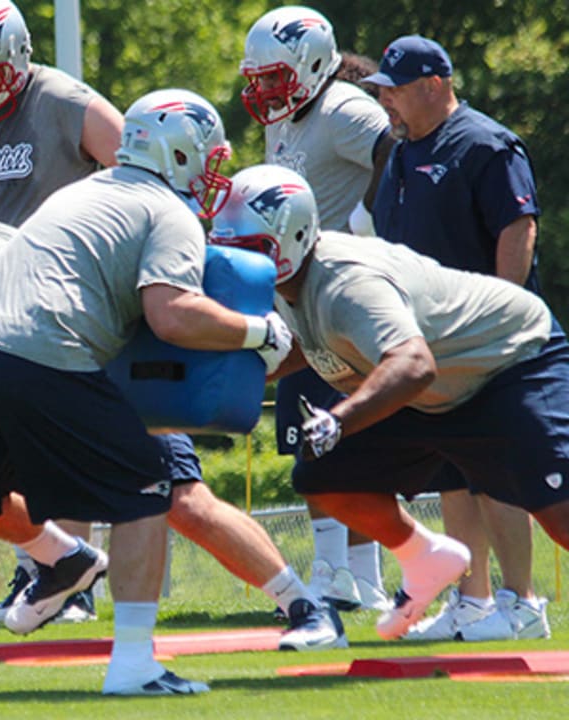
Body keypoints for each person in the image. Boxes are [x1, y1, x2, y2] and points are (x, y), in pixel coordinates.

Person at [0, 89, 324, 697]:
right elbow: (171, 314)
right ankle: (135, 663)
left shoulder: (78, 193)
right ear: (183, 153)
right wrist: (258, 332)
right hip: (40, 352)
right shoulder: (166, 211)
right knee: (149, 488)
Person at [209, 163, 569, 641]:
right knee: (324, 476)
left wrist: (339, 419)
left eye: (250, 250)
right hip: (436, 389)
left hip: (509, 362)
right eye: (229, 251)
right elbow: (307, 345)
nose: (240, 265)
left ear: (291, 238)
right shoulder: (289, 283)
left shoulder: (347, 283)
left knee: (559, 515)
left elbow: (413, 363)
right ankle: (425, 557)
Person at [0, 0, 123, 624]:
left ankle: (79, 586)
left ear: (17, 57)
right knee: (7, 455)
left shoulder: (68, 102)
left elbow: (140, 177)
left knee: (57, 446)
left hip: (64, 299)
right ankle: (38, 577)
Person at [365, 34, 550, 641]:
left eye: (395, 89)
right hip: (428, 341)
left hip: (487, 338)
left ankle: (521, 603)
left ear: (435, 84)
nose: (386, 101)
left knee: (496, 471)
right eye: (382, 90)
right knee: (452, 470)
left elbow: (517, 227)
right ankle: (472, 602)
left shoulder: (485, 143)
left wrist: (503, 312)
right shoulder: (398, 152)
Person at [239, 5, 395, 613]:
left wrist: (361, 226)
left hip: (340, 296)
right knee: (311, 435)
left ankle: (361, 573)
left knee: (348, 436)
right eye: (260, 78)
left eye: (276, 77)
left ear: (310, 66)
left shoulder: (342, 108)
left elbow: (396, 150)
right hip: (300, 299)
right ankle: (338, 570)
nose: (266, 90)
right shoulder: (286, 119)